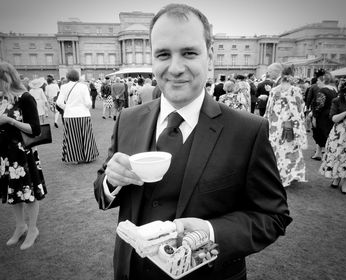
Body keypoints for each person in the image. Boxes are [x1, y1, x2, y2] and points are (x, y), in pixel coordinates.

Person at [94, 4, 292, 280]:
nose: (175, 68)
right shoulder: (128, 119)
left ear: (209, 57)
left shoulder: (248, 131)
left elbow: (273, 216)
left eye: (189, 53)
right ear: (152, 58)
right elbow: (102, 191)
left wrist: (210, 232)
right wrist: (110, 181)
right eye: (163, 54)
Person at [0, 62, 47, 250]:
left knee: (28, 193)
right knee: (14, 192)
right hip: (5, 156)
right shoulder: (1, 99)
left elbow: (35, 129)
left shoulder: (25, 98)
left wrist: (10, 120)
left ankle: (33, 228)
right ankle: (20, 226)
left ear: (7, 78)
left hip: (22, 155)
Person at [264, 68, 307, 187]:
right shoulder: (296, 91)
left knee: (276, 149)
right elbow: (300, 110)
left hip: (275, 124)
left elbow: (268, 110)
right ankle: (288, 174)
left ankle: (276, 174)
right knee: (289, 149)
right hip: (290, 124)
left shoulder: (274, 91)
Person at [56, 69, 99, 164]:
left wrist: (67, 108)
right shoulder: (83, 87)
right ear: (77, 77)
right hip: (83, 114)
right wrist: (87, 106)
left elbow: (59, 102)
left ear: (67, 77)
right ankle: (88, 156)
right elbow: (88, 103)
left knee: (72, 138)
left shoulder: (63, 87)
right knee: (86, 135)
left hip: (69, 115)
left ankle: (74, 158)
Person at [319, 80, 346, 194]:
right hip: (339, 133)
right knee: (338, 155)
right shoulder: (337, 101)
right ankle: (336, 177)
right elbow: (333, 118)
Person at [309, 69, 338, 160]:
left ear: (323, 80)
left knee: (319, 133)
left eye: (318, 80)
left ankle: (323, 154)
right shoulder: (334, 90)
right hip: (330, 115)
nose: (317, 82)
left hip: (322, 116)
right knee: (326, 134)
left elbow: (318, 105)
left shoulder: (322, 91)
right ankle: (319, 153)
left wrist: (314, 116)